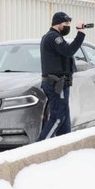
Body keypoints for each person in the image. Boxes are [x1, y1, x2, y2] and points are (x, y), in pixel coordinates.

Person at [37, 12, 86, 141]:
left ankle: (64, 147)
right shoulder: (53, 37)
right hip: (56, 84)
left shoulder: (55, 37)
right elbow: (69, 51)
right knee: (58, 117)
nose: (68, 27)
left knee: (65, 121)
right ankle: (39, 148)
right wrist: (81, 34)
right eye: (66, 24)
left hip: (60, 84)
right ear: (58, 24)